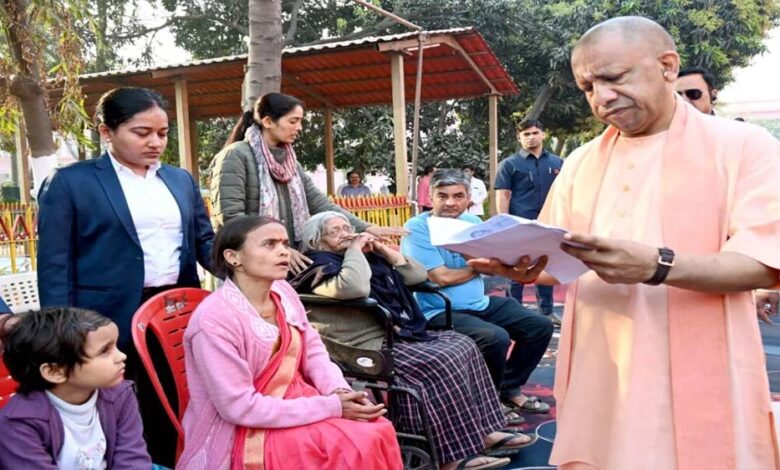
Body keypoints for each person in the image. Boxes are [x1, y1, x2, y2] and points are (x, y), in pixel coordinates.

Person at [475, 16, 780, 469]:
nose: (601, 97)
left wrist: (658, 266)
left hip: (697, 365)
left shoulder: (743, 146)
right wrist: (519, 265)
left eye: (615, 78)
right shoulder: (581, 161)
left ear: (667, 67)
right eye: (588, 87)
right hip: (600, 363)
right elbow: (558, 256)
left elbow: (763, 261)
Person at [36, 86, 214, 466]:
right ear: (107, 132)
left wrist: (251, 269)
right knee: (120, 403)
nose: (155, 143)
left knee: (174, 397)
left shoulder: (179, 180)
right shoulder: (71, 182)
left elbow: (203, 242)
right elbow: (54, 264)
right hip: (105, 316)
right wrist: (61, 330)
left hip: (172, 311)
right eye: (141, 132)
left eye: (162, 133)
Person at [293, 211, 535, 469]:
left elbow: (418, 276)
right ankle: (449, 456)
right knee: (440, 359)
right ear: (317, 241)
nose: (345, 233)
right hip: (364, 344)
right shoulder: (319, 264)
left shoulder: (366, 256)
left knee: (464, 345)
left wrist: (384, 251)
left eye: (346, 227)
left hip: (397, 332)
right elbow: (355, 288)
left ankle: (483, 431)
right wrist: (354, 249)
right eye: (335, 231)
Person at [178, 215, 403, 469]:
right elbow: (238, 407)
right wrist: (331, 406)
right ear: (233, 257)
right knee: (353, 443)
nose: (284, 252)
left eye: (285, 244)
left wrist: (338, 391)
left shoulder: (282, 291)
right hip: (247, 427)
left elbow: (314, 351)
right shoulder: (215, 320)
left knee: (377, 428)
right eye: (270, 244)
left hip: (299, 400)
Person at [401, 169, 554, 419]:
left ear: (468, 198)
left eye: (458, 196)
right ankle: (487, 403)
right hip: (439, 309)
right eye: (442, 196)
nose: (450, 202)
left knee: (539, 325)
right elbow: (441, 277)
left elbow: (497, 262)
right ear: (430, 197)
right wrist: (482, 268)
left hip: (479, 303)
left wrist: (496, 264)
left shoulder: (472, 222)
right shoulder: (417, 227)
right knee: (495, 337)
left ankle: (507, 388)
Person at [210, 92, 405, 275]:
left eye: (300, 121)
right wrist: (279, 247)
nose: (299, 128)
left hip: (288, 259)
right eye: (293, 121)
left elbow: (320, 203)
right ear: (268, 121)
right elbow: (231, 217)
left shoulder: (290, 162)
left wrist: (366, 228)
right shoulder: (235, 156)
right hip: (249, 264)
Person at [0, 307, 151, 469]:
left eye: (115, 346)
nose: (122, 356)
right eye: (104, 351)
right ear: (55, 371)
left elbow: (132, 459)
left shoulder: (120, 394)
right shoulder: (18, 423)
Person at [495, 119, 563, 326]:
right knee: (516, 267)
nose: (531, 137)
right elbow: (503, 195)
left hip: (548, 224)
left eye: (535, 133)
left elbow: (565, 193)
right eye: (526, 134)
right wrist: (504, 223)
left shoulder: (558, 163)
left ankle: (546, 311)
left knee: (545, 265)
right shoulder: (509, 164)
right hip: (519, 225)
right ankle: (513, 311)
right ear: (519, 138)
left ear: (543, 134)